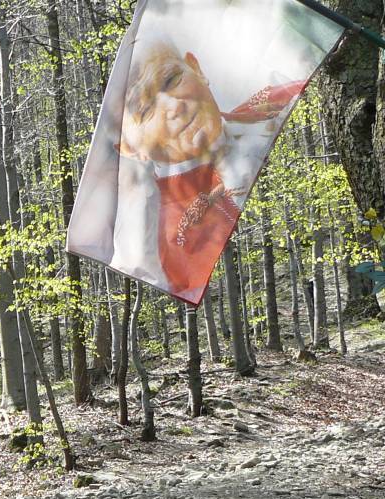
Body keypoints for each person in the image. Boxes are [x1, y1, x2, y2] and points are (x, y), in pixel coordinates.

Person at [113, 37, 304, 303]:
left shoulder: (282, 99)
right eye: (146, 110)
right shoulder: (167, 251)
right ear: (130, 148)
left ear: (196, 68)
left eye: (171, 79)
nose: (175, 106)